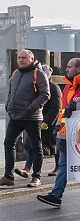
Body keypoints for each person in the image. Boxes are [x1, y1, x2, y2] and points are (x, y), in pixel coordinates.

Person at [36, 58, 80, 207]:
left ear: (78, 69)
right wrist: (57, 127)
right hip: (67, 133)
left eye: (69, 67)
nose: (66, 69)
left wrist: (76, 106)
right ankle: (56, 195)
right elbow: (64, 111)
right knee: (63, 165)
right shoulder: (68, 88)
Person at [1, 50, 50, 188]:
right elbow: (11, 92)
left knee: (36, 146)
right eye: (19, 58)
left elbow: (45, 94)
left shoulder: (38, 73)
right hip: (16, 116)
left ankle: (36, 177)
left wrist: (30, 108)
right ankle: (8, 177)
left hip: (32, 117)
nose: (21, 60)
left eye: (24, 58)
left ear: (31, 59)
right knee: (8, 143)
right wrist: (8, 106)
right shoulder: (16, 73)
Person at [14, 64, 61, 180]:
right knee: (33, 145)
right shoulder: (37, 88)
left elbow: (56, 107)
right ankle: (27, 169)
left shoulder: (53, 88)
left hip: (50, 121)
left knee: (53, 145)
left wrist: (48, 122)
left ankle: (58, 167)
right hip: (37, 120)